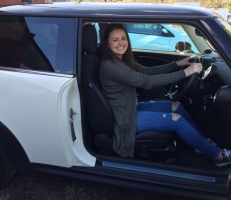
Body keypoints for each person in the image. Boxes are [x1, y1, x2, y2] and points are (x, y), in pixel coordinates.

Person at [99, 23, 231, 167]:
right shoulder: (110, 66)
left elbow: (148, 72)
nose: (121, 43)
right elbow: (147, 82)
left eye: (123, 38)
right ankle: (218, 155)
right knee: (176, 120)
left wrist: (177, 64)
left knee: (176, 106)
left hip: (131, 108)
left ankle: (202, 143)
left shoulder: (121, 61)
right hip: (126, 121)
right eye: (115, 40)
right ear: (107, 43)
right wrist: (186, 72)